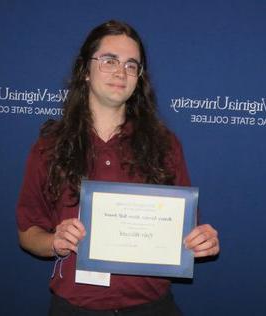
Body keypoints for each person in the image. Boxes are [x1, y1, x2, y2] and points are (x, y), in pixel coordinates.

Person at [17, 20, 219, 316]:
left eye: (131, 65)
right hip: (75, 307)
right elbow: (27, 232)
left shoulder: (164, 145)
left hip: (152, 307)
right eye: (109, 60)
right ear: (86, 70)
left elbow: (186, 233)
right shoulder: (49, 147)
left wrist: (202, 240)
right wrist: (54, 242)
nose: (120, 72)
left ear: (139, 77)